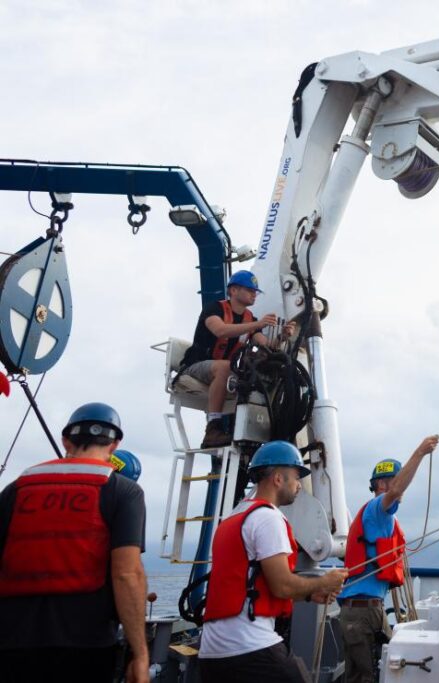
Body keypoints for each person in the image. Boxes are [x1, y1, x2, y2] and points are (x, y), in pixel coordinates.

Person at [0, 403, 148, 683]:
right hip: (86, 642)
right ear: (115, 444)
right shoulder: (123, 490)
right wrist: (140, 654)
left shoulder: (17, 487)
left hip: (11, 640)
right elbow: (127, 574)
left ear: (65, 440)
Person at [199, 441, 347, 683]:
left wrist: (309, 595)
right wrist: (323, 582)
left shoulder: (233, 518)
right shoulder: (268, 519)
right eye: (297, 477)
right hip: (249, 648)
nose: (299, 485)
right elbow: (282, 586)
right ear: (278, 478)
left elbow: (252, 582)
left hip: (213, 653)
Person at [339, 435, 439, 683]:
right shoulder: (377, 510)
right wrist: (420, 452)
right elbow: (396, 491)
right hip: (362, 613)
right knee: (369, 677)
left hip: (365, 610)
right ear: (382, 486)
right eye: (395, 481)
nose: (399, 488)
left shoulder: (382, 517)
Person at [179, 269, 293, 448]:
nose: (254, 294)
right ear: (233, 290)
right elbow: (220, 330)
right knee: (225, 368)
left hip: (222, 370)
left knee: (254, 378)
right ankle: (213, 427)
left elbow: (267, 345)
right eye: (249, 290)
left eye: (255, 291)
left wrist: (283, 337)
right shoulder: (214, 309)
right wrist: (258, 324)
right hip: (195, 367)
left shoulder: (249, 319)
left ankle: (247, 429)